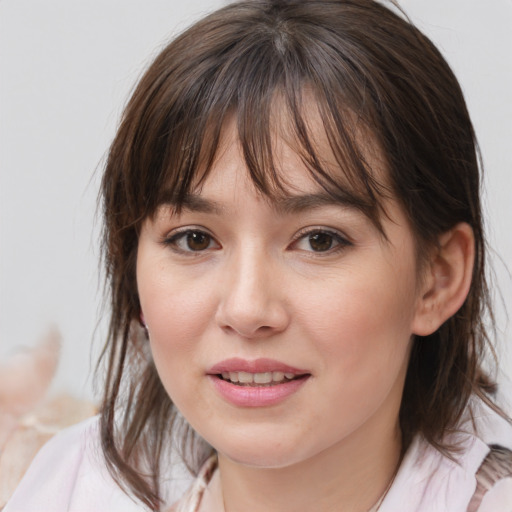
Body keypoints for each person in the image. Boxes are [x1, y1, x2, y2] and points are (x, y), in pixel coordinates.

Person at [4, 0, 512, 511]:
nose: (247, 311)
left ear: (437, 279)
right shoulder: (65, 489)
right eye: (194, 240)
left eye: (319, 240)